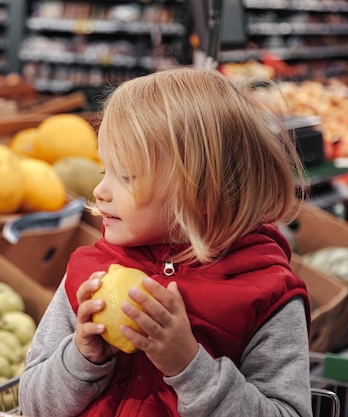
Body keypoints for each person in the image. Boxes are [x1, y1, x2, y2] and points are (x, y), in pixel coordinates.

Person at [18, 67, 312, 417]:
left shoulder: (268, 295)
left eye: (125, 176)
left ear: (202, 190)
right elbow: (34, 405)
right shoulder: (90, 276)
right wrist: (82, 357)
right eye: (103, 171)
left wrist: (189, 366)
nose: (100, 191)